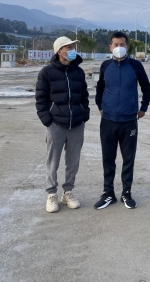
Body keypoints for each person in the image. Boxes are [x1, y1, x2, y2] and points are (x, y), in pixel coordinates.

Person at [94, 31, 150, 210]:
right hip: (108, 121)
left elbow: (146, 87)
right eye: (116, 45)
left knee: (128, 159)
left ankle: (126, 192)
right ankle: (108, 193)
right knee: (108, 158)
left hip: (129, 121)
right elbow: (100, 88)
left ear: (127, 46)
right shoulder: (105, 66)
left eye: (122, 45)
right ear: (110, 47)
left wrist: (143, 108)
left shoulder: (135, 66)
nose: (119, 48)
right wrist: (100, 105)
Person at [35, 36, 90, 213]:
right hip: (56, 124)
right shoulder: (46, 72)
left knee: (73, 160)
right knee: (53, 160)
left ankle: (68, 192)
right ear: (60, 51)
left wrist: (84, 113)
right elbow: (40, 99)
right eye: (69, 47)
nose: (73, 50)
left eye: (73, 47)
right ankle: (51, 194)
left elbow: (84, 96)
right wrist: (47, 121)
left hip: (77, 123)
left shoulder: (78, 72)